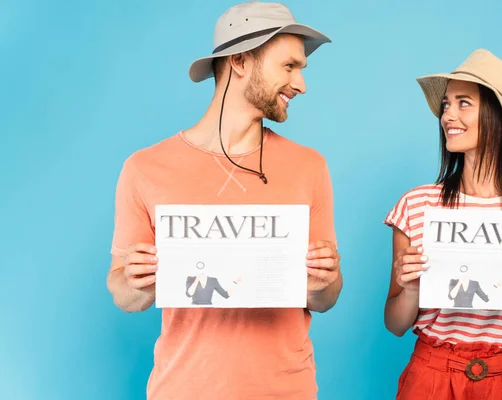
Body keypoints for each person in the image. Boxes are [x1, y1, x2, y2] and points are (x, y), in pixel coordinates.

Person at [106, 2, 342, 399]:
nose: (301, 84)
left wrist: (323, 279)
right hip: (183, 389)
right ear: (239, 61)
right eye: (289, 66)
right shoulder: (145, 168)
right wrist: (136, 280)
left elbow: (325, 298)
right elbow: (124, 295)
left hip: (287, 390)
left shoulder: (309, 167)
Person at [383, 49, 502, 399]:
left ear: (499, 116)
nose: (447, 116)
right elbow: (395, 324)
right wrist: (410, 288)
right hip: (432, 376)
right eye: (446, 104)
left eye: (463, 103)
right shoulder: (416, 205)